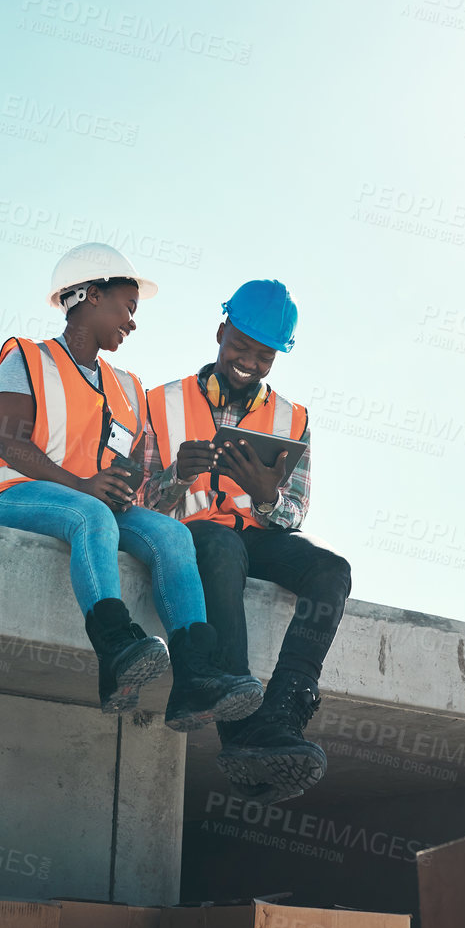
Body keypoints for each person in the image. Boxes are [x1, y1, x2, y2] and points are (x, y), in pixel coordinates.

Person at [0, 242, 263, 732]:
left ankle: (195, 677)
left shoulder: (127, 386)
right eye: (128, 307)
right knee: (92, 515)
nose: (132, 322)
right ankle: (115, 647)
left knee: (173, 536)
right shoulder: (25, 357)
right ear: (89, 296)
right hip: (15, 494)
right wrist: (84, 485)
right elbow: (10, 443)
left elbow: (132, 469)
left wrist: (130, 484)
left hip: (92, 500)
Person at [142, 280, 350, 803]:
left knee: (332, 570)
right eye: (240, 346)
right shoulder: (158, 403)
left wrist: (265, 497)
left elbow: (295, 511)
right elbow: (134, 506)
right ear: (220, 331)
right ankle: (240, 718)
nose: (248, 362)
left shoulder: (292, 420)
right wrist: (176, 479)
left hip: (256, 536)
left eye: (264, 355)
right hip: (194, 539)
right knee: (218, 543)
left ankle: (283, 710)